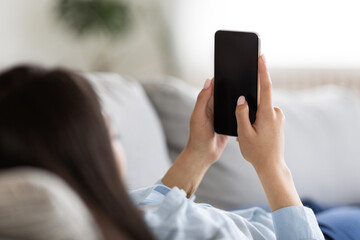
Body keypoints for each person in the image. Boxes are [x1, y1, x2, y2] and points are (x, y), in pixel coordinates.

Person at [1, 55, 349, 239]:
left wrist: (199, 153)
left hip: (274, 214)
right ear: (83, 156)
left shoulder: (108, 212)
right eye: (112, 135)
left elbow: (156, 206)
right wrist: (273, 166)